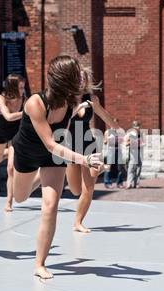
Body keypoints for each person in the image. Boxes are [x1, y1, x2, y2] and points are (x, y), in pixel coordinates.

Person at [11, 55, 102, 279]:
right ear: (62, 79)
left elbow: (63, 132)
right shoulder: (35, 102)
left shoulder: (71, 102)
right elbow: (50, 143)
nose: (81, 80)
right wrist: (84, 159)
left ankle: (39, 264)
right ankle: (38, 178)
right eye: (75, 76)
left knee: (50, 207)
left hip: (53, 157)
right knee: (20, 197)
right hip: (29, 153)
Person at [66, 66, 123, 233]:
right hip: (70, 148)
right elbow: (63, 121)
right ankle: (99, 169)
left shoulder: (91, 99)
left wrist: (118, 129)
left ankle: (78, 222)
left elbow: (104, 115)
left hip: (88, 145)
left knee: (88, 188)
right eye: (79, 78)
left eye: (84, 79)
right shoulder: (65, 100)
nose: (82, 81)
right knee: (76, 189)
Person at [0, 74, 26, 212]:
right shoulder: (1, 98)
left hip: (15, 134)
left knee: (11, 168)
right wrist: (26, 112)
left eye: (24, 87)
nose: (23, 90)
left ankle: (8, 202)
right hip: (0, 132)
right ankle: (10, 153)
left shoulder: (24, 100)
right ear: (12, 87)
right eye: (21, 87)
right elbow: (8, 116)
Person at [104, 118, 124, 189]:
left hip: (118, 150)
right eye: (113, 123)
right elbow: (105, 142)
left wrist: (120, 139)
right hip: (111, 151)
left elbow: (123, 140)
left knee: (119, 168)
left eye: (116, 123)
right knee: (108, 168)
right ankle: (108, 183)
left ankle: (120, 183)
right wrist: (109, 139)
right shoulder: (107, 132)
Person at [125, 120, 145, 189]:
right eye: (135, 128)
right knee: (131, 168)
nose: (136, 129)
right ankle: (129, 183)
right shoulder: (129, 133)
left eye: (137, 127)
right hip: (132, 152)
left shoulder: (141, 134)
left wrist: (139, 144)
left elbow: (144, 143)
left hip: (139, 151)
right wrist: (131, 143)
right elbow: (126, 143)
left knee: (138, 167)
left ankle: (136, 183)